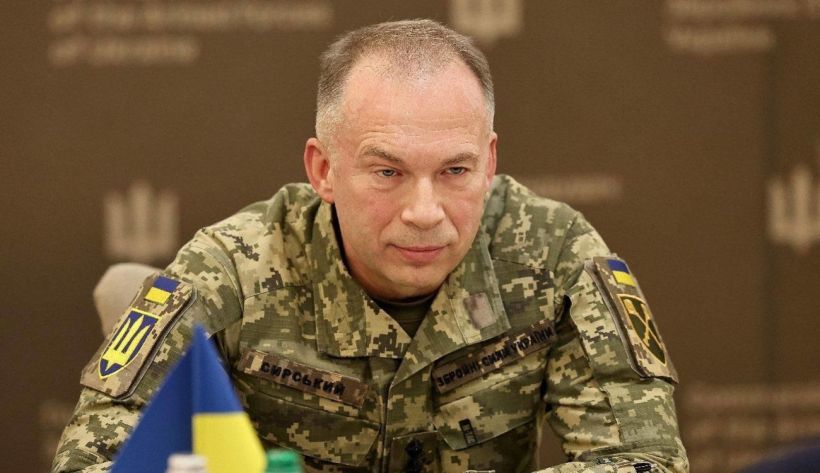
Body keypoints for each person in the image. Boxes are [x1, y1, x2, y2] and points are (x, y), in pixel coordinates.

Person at [52, 19, 689, 473]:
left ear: (490, 162)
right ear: (323, 170)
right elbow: (91, 461)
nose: (425, 212)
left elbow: (645, 459)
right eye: (387, 172)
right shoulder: (235, 267)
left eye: (455, 171)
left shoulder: (552, 252)